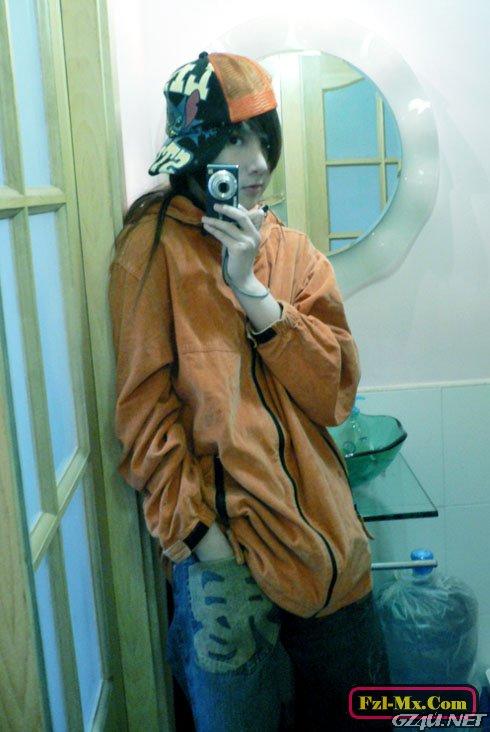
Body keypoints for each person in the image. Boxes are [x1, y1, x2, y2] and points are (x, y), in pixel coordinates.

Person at [108, 51, 391, 731]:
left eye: (265, 137)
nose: (258, 160)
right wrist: (200, 537)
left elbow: (334, 394)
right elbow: (144, 416)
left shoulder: (293, 254)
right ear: (196, 150)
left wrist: (253, 291)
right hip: (226, 570)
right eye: (236, 139)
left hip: (332, 556)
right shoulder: (152, 249)